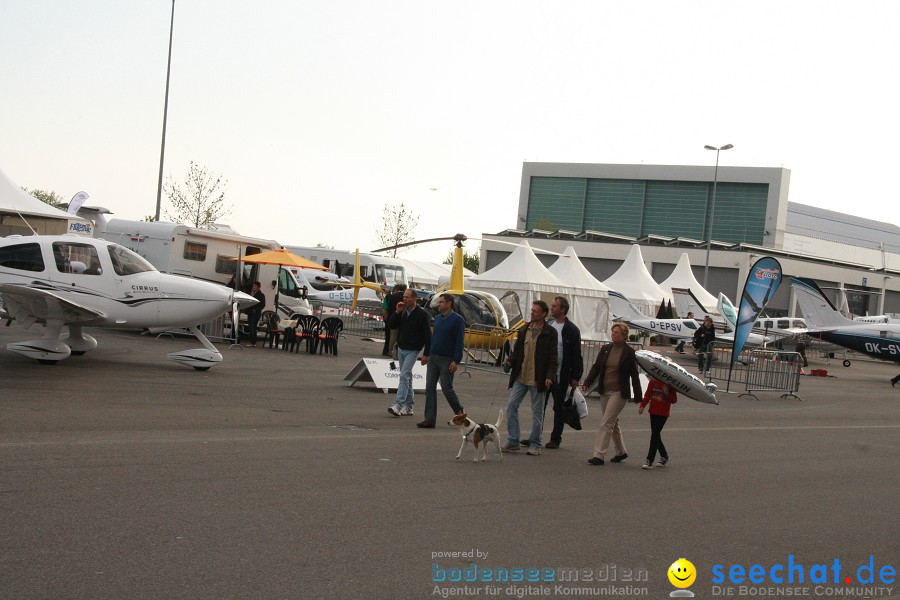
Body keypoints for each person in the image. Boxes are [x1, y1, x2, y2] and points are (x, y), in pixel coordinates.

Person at [501, 301, 558, 456]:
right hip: (521, 376)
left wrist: (549, 376)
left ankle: (535, 444)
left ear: (544, 314)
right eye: (532, 310)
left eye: (536, 311)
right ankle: (513, 441)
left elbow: (553, 358)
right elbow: (517, 350)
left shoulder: (550, 332)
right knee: (511, 406)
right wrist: (510, 361)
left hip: (537, 378)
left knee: (537, 413)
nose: (532, 313)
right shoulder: (524, 329)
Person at [581, 323, 642, 466]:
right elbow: (597, 366)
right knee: (612, 422)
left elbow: (634, 374)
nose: (613, 334)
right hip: (605, 390)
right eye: (613, 332)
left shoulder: (629, 352)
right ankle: (621, 452)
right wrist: (588, 381)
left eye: (617, 333)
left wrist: (638, 395)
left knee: (606, 422)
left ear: (625, 336)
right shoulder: (606, 349)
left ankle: (599, 455)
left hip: (619, 392)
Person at [418, 294, 465, 429]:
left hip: (447, 359)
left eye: (441, 302)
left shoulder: (458, 320)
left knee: (446, 388)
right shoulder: (437, 319)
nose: (438, 304)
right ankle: (429, 419)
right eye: (438, 302)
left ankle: (459, 412)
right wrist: (427, 354)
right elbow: (434, 337)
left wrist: (456, 360)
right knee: (430, 388)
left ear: (449, 304)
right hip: (434, 357)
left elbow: (459, 342)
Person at [544, 296, 583, 450]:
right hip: (546, 373)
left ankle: (555, 438)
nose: (551, 308)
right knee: (540, 405)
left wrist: (575, 376)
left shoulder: (571, 330)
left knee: (559, 407)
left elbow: (576, 354)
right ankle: (535, 436)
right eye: (551, 305)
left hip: (561, 374)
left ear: (563, 310)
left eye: (554, 306)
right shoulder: (549, 325)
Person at [387, 288, 431, 418]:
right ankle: (409, 405)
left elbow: (428, 336)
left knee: (404, 375)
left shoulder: (422, 315)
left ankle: (398, 404)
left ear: (414, 299)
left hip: (413, 350)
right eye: (404, 297)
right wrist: (397, 312)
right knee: (408, 376)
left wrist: (426, 354)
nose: (404, 299)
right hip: (401, 347)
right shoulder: (403, 312)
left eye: (407, 297)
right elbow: (392, 325)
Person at [638, 378, 677, 469]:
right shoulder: (653, 381)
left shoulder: (670, 383)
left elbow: (674, 400)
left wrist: (667, 392)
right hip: (653, 412)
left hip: (663, 413)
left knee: (655, 435)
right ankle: (664, 456)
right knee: (655, 435)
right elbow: (648, 395)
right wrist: (642, 406)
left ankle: (649, 460)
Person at [382, 284, 406, 358]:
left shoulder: (391, 297)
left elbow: (386, 308)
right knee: (399, 336)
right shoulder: (404, 298)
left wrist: (386, 318)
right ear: (404, 289)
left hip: (391, 318)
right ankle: (398, 352)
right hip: (401, 319)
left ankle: (390, 351)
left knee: (392, 336)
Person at [243, 281, 265, 347]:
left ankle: (253, 342)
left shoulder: (261, 295)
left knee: (253, 327)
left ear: (258, 287)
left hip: (256, 313)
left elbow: (262, 305)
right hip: (250, 312)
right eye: (253, 286)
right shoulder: (252, 294)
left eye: (254, 286)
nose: (253, 287)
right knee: (250, 327)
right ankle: (252, 341)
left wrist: (256, 309)